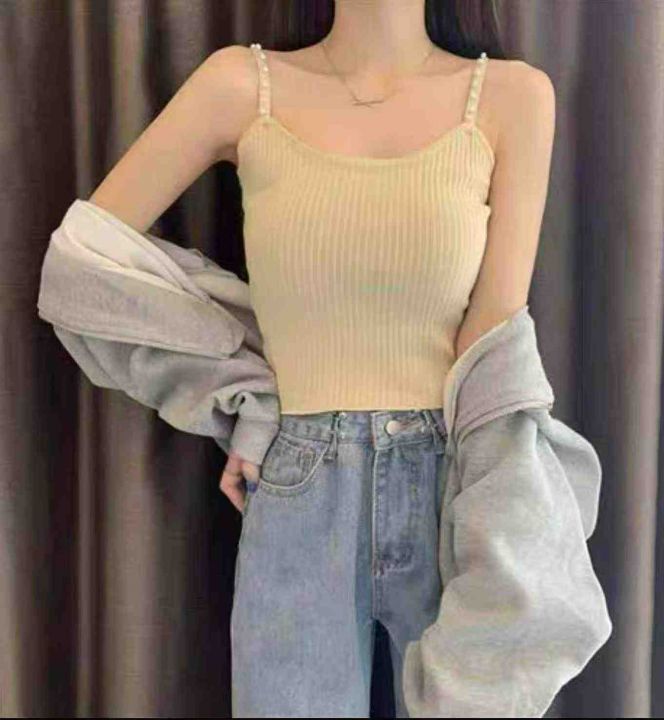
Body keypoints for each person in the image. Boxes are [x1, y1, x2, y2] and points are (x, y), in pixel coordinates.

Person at [68, 0, 556, 716]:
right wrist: (246, 392)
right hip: (300, 485)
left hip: (456, 478)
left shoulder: (513, 97)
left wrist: (498, 511)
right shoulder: (243, 86)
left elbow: (495, 337)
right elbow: (84, 266)